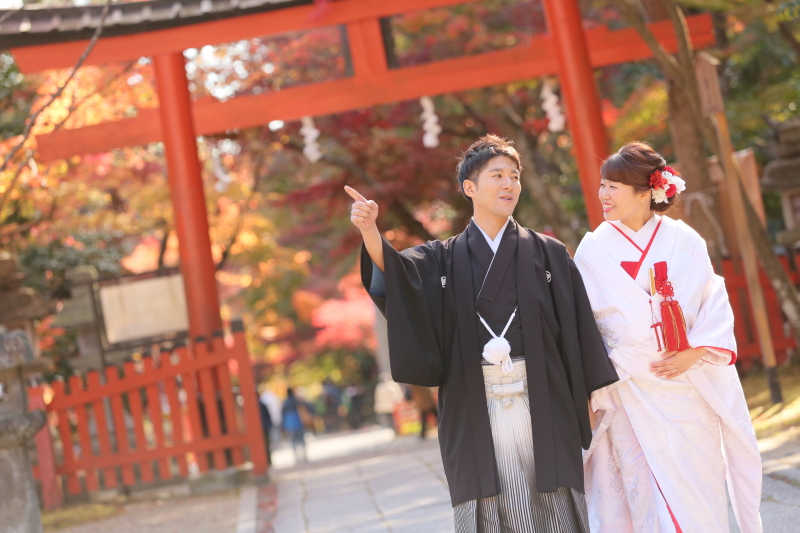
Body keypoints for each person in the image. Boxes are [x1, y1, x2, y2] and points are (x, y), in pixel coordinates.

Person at [347, 134, 618, 532]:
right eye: (498, 176)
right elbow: (397, 276)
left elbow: (578, 325)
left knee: (554, 504)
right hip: (474, 399)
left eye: (514, 175)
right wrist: (371, 231)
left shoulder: (548, 253)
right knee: (489, 505)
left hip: (545, 396)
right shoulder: (441, 258)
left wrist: (594, 390)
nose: (509, 184)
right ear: (469, 188)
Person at [576, 142, 762, 532]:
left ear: (645, 192)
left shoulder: (684, 240)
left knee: (697, 485)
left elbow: (712, 299)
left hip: (685, 384)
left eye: (613, 186)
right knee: (641, 490)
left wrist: (694, 353)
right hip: (628, 389)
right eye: (602, 185)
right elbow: (582, 326)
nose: (603, 195)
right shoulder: (592, 250)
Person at [281, 388, 308, 464]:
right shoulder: (297, 401)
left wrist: (283, 426)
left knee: (293, 441)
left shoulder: (285, 402)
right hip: (299, 421)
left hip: (290, 423)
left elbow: (283, 414)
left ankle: (296, 457)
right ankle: (304, 455)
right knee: (302, 439)